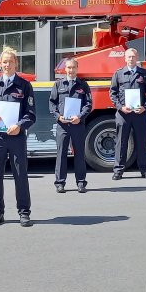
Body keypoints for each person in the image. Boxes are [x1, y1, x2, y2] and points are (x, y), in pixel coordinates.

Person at [0, 47, 36, 227]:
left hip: (17, 137)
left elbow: (31, 113)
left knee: (21, 175)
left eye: (11, 61)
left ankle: (24, 212)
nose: (7, 65)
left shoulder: (24, 86)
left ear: (16, 63)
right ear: (0, 64)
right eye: (4, 62)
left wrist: (19, 126)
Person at [109, 48, 146, 180]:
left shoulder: (144, 74)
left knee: (141, 142)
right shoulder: (118, 74)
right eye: (128, 57)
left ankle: (145, 170)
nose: (131, 59)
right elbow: (112, 93)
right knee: (121, 142)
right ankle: (118, 170)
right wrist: (120, 107)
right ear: (125, 58)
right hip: (123, 114)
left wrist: (145, 107)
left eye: (133, 57)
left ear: (137, 57)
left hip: (139, 113)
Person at [48, 58, 92, 193]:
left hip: (77, 124)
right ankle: (60, 183)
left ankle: (81, 183)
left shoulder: (83, 85)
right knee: (61, 154)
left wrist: (79, 117)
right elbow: (52, 104)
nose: (71, 70)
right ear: (65, 69)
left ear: (77, 69)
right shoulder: (58, 85)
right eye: (68, 68)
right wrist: (58, 117)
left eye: (73, 67)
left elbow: (88, 104)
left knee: (79, 154)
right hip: (62, 125)